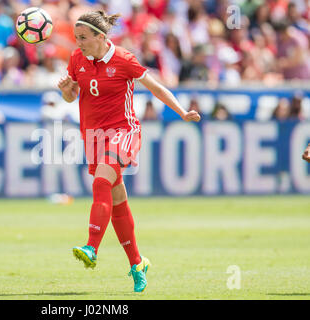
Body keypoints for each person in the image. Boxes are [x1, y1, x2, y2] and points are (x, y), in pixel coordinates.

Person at [57, 10, 201, 293]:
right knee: (117, 200)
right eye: (76, 38)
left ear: (100, 37)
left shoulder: (123, 59)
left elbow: (155, 88)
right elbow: (73, 94)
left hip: (123, 132)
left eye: (83, 38)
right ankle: (137, 264)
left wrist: (182, 112)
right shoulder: (77, 58)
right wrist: (65, 91)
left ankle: (91, 247)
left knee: (100, 182)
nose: (79, 43)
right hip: (94, 136)